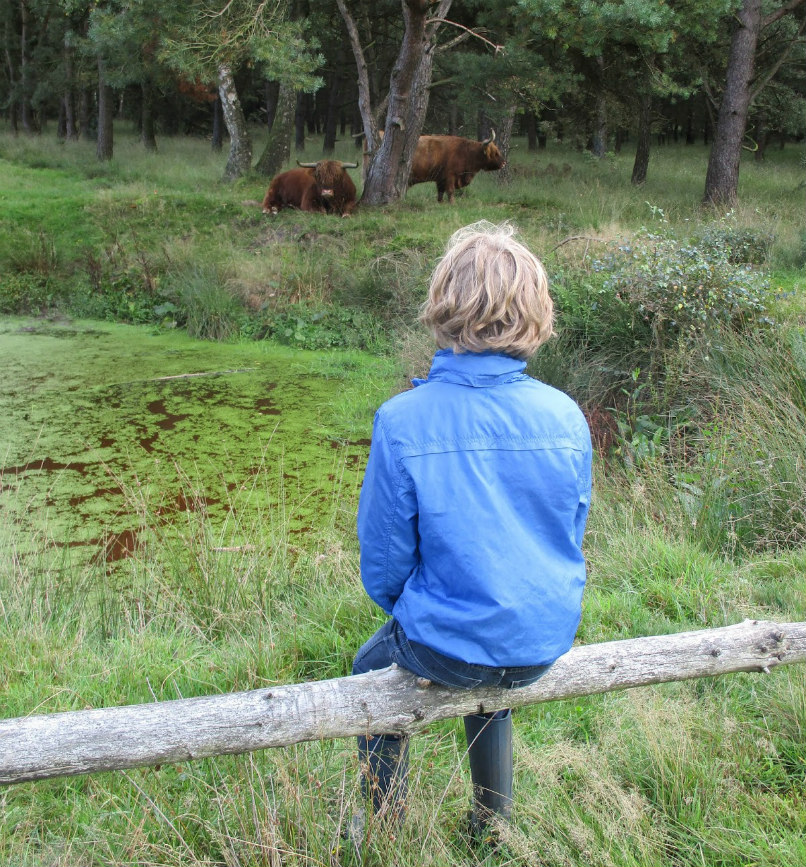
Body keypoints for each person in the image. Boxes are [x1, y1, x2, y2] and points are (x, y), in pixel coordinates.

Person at [352, 221, 592, 837]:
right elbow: (570, 529)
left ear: (444, 305)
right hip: (543, 637)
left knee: (367, 665)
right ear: (535, 311)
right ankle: (493, 820)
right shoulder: (565, 414)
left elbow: (383, 567)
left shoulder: (403, 420)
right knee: (492, 663)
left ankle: (383, 820)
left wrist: (423, 613)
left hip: (451, 647)